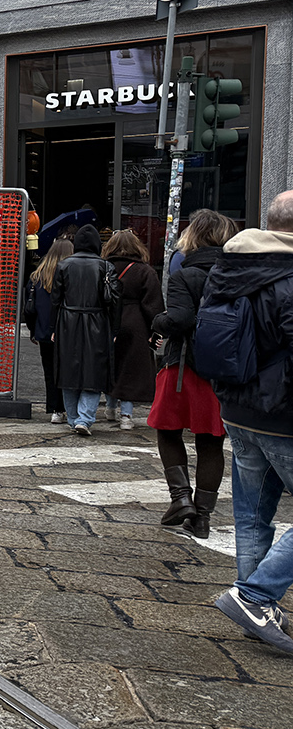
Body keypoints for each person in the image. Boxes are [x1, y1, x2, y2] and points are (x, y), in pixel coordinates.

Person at [204, 191, 293, 655]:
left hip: (237, 409)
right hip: (283, 414)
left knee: (251, 514)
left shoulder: (230, 266)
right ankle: (255, 594)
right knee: (254, 512)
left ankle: (256, 607)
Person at [148, 209, 240, 538]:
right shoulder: (239, 274)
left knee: (168, 431)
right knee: (211, 443)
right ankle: (202, 518)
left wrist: (158, 322)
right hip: (224, 371)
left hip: (183, 367)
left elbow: (180, 320)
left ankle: (180, 497)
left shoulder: (185, 275)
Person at [52, 224, 120, 436]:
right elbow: (115, 301)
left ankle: (73, 419)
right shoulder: (106, 266)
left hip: (67, 322)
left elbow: (55, 299)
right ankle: (85, 418)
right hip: (97, 322)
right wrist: (114, 329)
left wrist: (54, 327)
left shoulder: (63, 265)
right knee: (94, 371)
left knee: (68, 371)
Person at [102, 229, 163, 429]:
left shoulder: (103, 268)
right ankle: (126, 416)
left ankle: (109, 408)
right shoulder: (145, 271)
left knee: (110, 365)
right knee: (131, 369)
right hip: (135, 322)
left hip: (107, 320)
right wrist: (157, 330)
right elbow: (153, 305)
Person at [25, 238, 74, 423]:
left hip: (44, 331)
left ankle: (55, 409)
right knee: (67, 369)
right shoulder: (71, 275)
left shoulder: (37, 276)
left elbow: (29, 308)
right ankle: (69, 408)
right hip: (68, 330)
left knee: (50, 371)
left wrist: (33, 330)